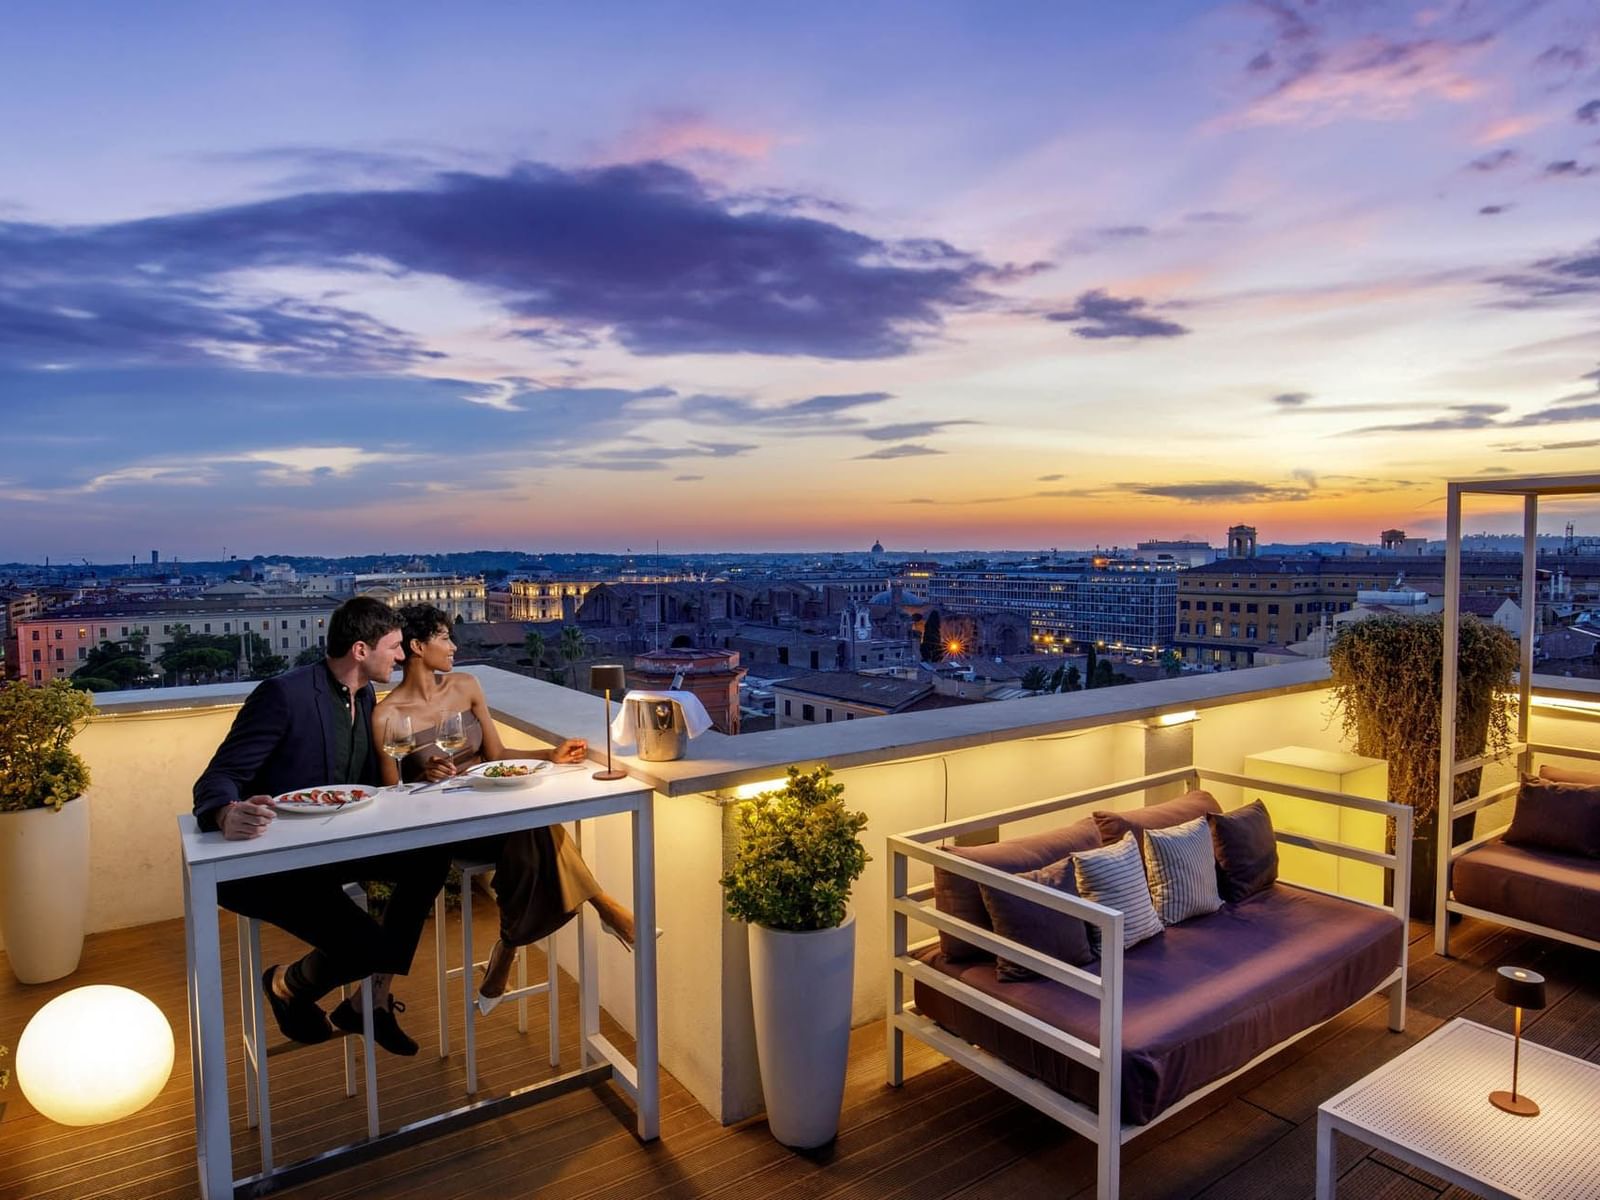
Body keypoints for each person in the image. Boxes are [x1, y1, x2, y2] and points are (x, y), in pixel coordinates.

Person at [193, 596, 450, 1056]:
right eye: (392, 647)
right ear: (359, 650)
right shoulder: (283, 694)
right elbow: (217, 778)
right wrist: (225, 813)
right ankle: (286, 986)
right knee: (368, 948)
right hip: (277, 864)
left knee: (432, 855)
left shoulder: (364, 693)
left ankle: (368, 1002)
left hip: (338, 849)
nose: (400, 655)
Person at [373, 604, 639, 1014]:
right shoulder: (387, 715)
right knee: (536, 824)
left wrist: (550, 754)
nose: (454, 646)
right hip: (448, 827)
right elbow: (392, 796)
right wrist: (422, 774)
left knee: (531, 824)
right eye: (444, 638)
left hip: (496, 811)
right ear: (416, 646)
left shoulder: (466, 685)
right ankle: (599, 908)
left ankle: (510, 947)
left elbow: (496, 755)